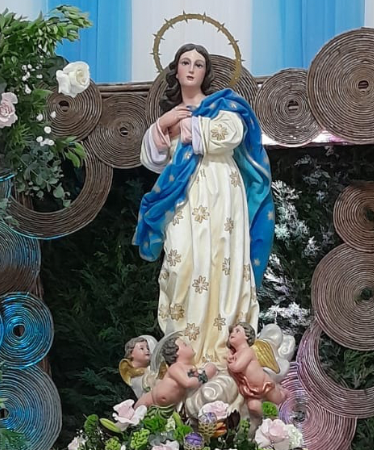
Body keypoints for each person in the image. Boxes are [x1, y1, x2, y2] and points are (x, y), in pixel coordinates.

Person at [134, 43, 274, 366]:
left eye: (198, 63)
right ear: (177, 70)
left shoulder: (220, 107)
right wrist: (164, 123)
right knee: (181, 263)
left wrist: (193, 128)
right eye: (185, 62)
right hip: (182, 195)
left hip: (221, 192)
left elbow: (236, 131)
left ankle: (223, 348)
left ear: (205, 72)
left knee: (222, 261)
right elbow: (151, 158)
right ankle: (184, 348)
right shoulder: (170, 117)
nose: (192, 68)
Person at [226, 322, 287, 421]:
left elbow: (237, 367)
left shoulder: (248, 351)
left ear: (247, 336)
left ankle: (287, 398)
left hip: (265, 385)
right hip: (251, 391)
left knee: (279, 399)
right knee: (253, 406)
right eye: (232, 332)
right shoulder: (236, 354)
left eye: (237, 331)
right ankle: (271, 419)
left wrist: (230, 362)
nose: (233, 333)